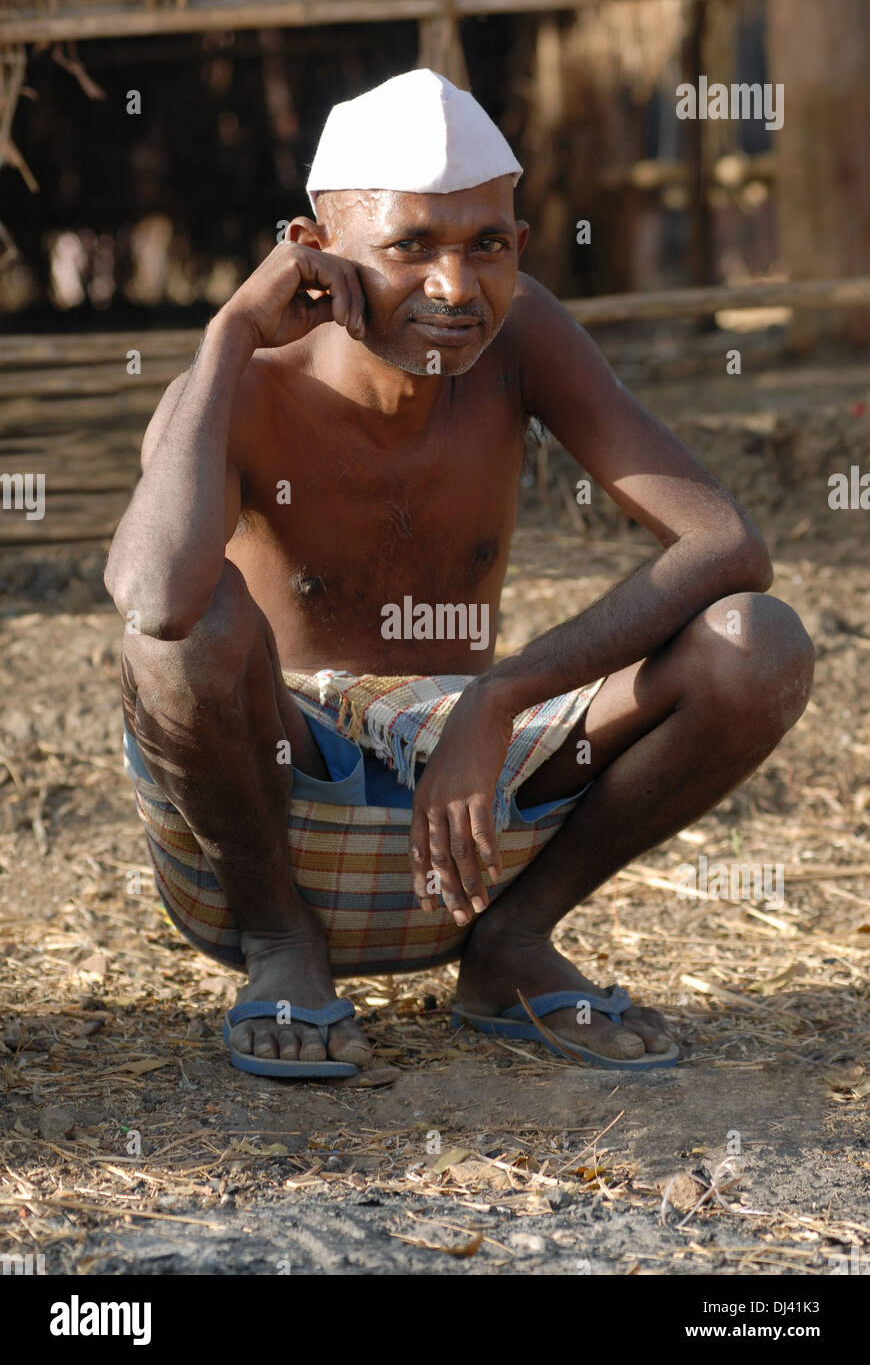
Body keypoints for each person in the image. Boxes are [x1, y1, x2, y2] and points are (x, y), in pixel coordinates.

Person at [105, 69, 814, 1078]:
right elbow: (153, 601)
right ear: (312, 256)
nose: (454, 286)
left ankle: (512, 948)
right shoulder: (246, 386)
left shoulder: (522, 337)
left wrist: (500, 697)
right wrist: (227, 337)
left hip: (486, 814)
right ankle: (282, 951)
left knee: (761, 640)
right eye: (408, 249)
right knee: (184, 627)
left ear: (522, 250)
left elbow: (728, 543)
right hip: (283, 802)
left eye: (486, 245)